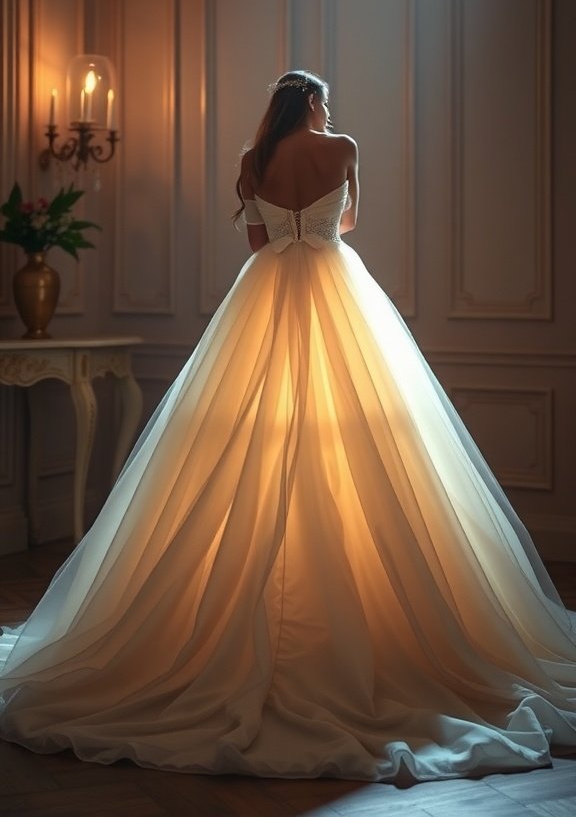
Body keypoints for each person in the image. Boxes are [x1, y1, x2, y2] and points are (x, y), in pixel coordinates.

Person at [1, 69, 576, 783]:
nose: (328, 109)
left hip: (266, 295)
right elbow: (348, 224)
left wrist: (285, 229)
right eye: (323, 100)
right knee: (363, 434)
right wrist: (318, 223)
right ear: (313, 102)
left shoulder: (251, 160)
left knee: (245, 433)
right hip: (337, 291)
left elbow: (256, 244)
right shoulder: (342, 147)